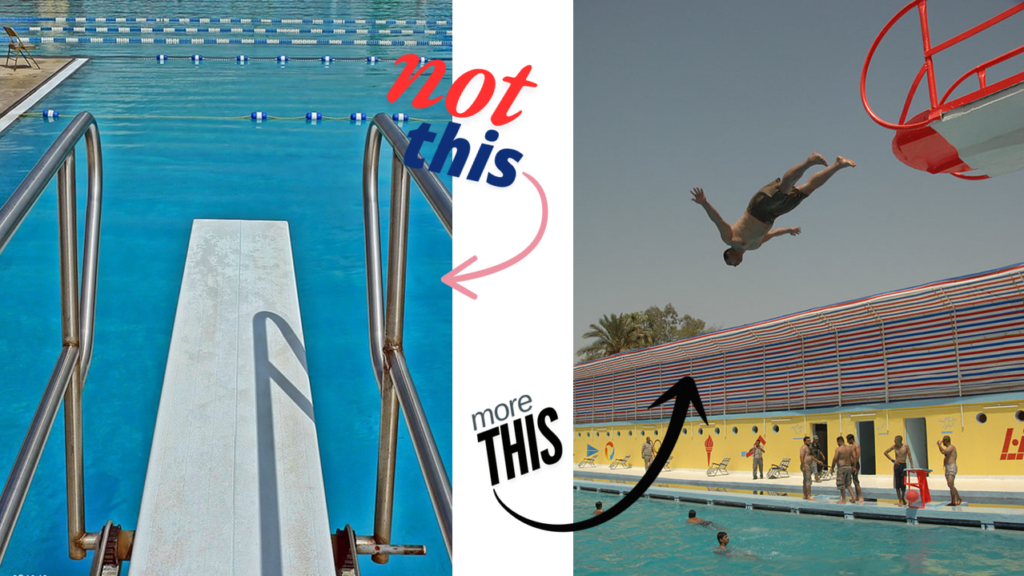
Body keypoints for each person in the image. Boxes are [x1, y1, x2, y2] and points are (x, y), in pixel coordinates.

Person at [690, 152, 856, 266]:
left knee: (784, 188)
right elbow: (773, 234)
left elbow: (717, 220)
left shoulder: (729, 239)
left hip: (757, 208)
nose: (735, 266)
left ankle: (810, 161)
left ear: (728, 255)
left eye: (731, 264)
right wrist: (789, 230)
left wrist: (704, 202)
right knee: (807, 190)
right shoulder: (754, 247)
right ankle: (838, 164)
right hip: (773, 214)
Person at [884, 435, 914, 506]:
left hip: (903, 465)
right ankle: (899, 500)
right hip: (897, 466)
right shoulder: (894, 447)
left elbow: (909, 456)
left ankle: (903, 498)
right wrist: (893, 460)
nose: (894, 442)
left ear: (899, 441)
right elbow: (885, 452)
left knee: (903, 483)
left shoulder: (905, 446)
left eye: (895, 441)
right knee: (897, 484)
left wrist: (912, 466)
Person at [937, 436, 962, 506]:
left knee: (950, 483)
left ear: (945, 441)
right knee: (951, 485)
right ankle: (953, 501)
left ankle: (959, 498)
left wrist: (939, 445)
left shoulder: (951, 447)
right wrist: (939, 445)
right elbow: (943, 451)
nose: (943, 443)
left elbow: (943, 451)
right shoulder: (948, 448)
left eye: (943, 441)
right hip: (947, 468)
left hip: (951, 467)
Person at [830, 436, 856, 504]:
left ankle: (843, 499)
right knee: (848, 483)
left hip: (842, 467)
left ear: (839, 441)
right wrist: (854, 466)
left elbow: (835, 458)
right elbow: (854, 457)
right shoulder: (850, 448)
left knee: (841, 484)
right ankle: (853, 497)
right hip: (849, 467)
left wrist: (832, 467)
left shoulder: (838, 449)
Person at [846, 434, 864, 503]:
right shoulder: (852, 446)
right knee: (854, 480)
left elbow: (857, 456)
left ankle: (861, 497)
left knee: (856, 481)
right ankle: (857, 496)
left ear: (851, 439)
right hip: (852, 465)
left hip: (855, 465)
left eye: (848, 440)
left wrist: (855, 467)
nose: (847, 442)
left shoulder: (856, 445)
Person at [799, 436, 816, 500]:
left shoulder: (808, 448)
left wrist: (818, 461)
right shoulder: (803, 448)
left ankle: (805, 495)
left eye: (810, 440)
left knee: (805, 480)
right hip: (805, 465)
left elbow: (811, 456)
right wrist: (803, 466)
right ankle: (808, 495)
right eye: (808, 441)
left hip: (808, 465)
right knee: (808, 480)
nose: (810, 442)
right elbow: (801, 456)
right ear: (804, 442)